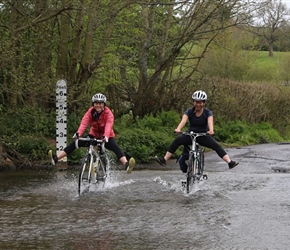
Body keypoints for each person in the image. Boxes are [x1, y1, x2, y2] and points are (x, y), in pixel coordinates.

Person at [48, 93, 135, 173]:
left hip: (106, 136)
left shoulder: (109, 113)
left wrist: (106, 136)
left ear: (104, 105)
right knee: (75, 143)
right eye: (96, 103)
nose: (98, 105)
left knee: (115, 148)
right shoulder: (90, 112)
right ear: (93, 104)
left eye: (100, 103)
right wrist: (78, 133)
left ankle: (126, 165)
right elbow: (84, 122)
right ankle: (56, 159)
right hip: (93, 135)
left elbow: (109, 125)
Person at [155, 90, 239, 172]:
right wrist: (178, 129)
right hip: (191, 134)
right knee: (177, 140)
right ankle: (165, 160)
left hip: (203, 135)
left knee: (215, 145)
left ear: (204, 103)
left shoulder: (208, 112)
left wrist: (211, 130)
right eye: (196, 102)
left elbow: (210, 122)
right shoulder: (189, 111)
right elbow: (183, 120)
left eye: (200, 102)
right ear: (193, 102)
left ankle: (229, 162)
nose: (198, 104)